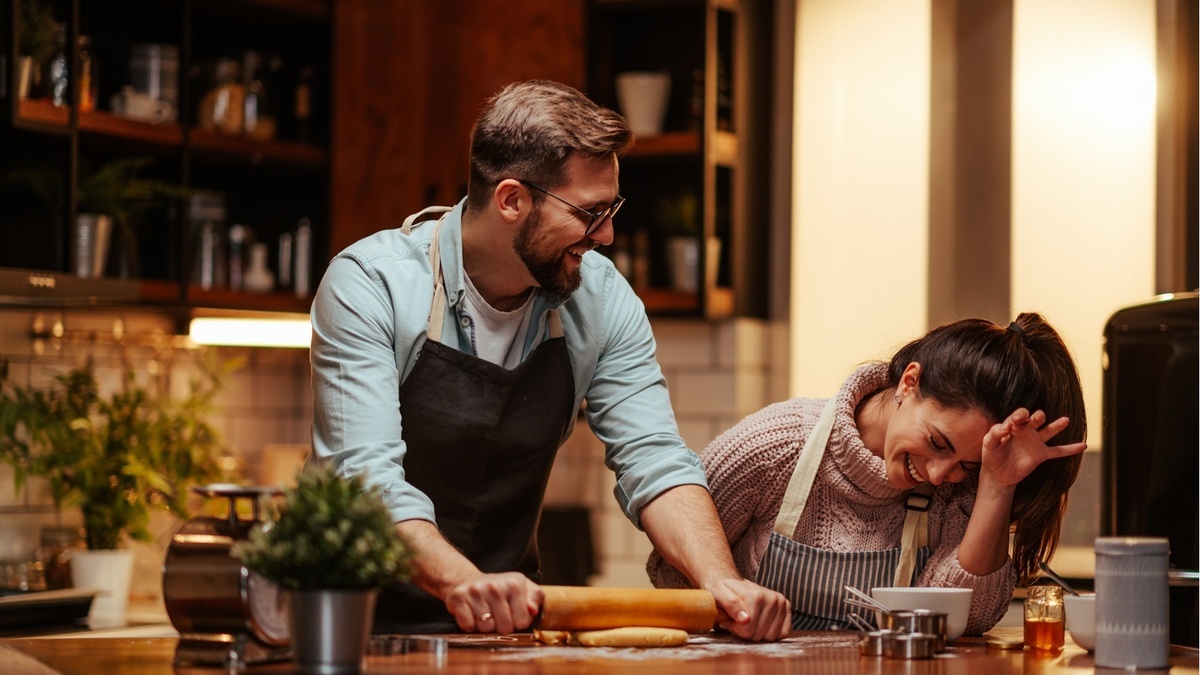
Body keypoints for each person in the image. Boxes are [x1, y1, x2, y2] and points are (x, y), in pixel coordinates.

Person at [309, 80, 790, 640]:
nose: (607, 235)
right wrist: (466, 582)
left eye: (612, 209)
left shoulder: (602, 298)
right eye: (590, 212)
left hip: (506, 633)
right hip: (347, 626)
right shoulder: (371, 285)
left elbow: (654, 458)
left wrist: (722, 582)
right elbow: (366, 480)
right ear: (512, 200)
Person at [647, 313, 1087, 635]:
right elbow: (674, 569)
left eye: (965, 466)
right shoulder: (775, 446)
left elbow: (967, 619)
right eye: (937, 443)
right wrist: (731, 606)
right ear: (909, 383)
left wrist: (996, 485)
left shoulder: (960, 493)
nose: (937, 475)